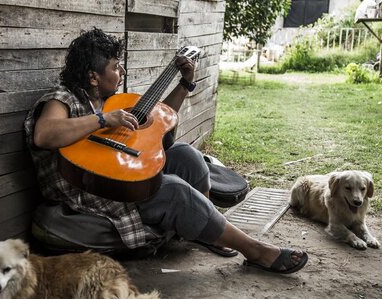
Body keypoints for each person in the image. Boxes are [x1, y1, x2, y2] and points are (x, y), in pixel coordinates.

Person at [24, 28, 308, 274]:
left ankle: (209, 231)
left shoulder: (108, 99)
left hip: (117, 174)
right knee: (173, 189)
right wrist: (102, 120)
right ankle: (255, 250)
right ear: (93, 76)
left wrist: (184, 83)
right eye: (115, 66)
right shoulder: (62, 98)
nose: (121, 71)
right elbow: (45, 134)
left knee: (187, 156)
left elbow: (161, 118)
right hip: (88, 190)